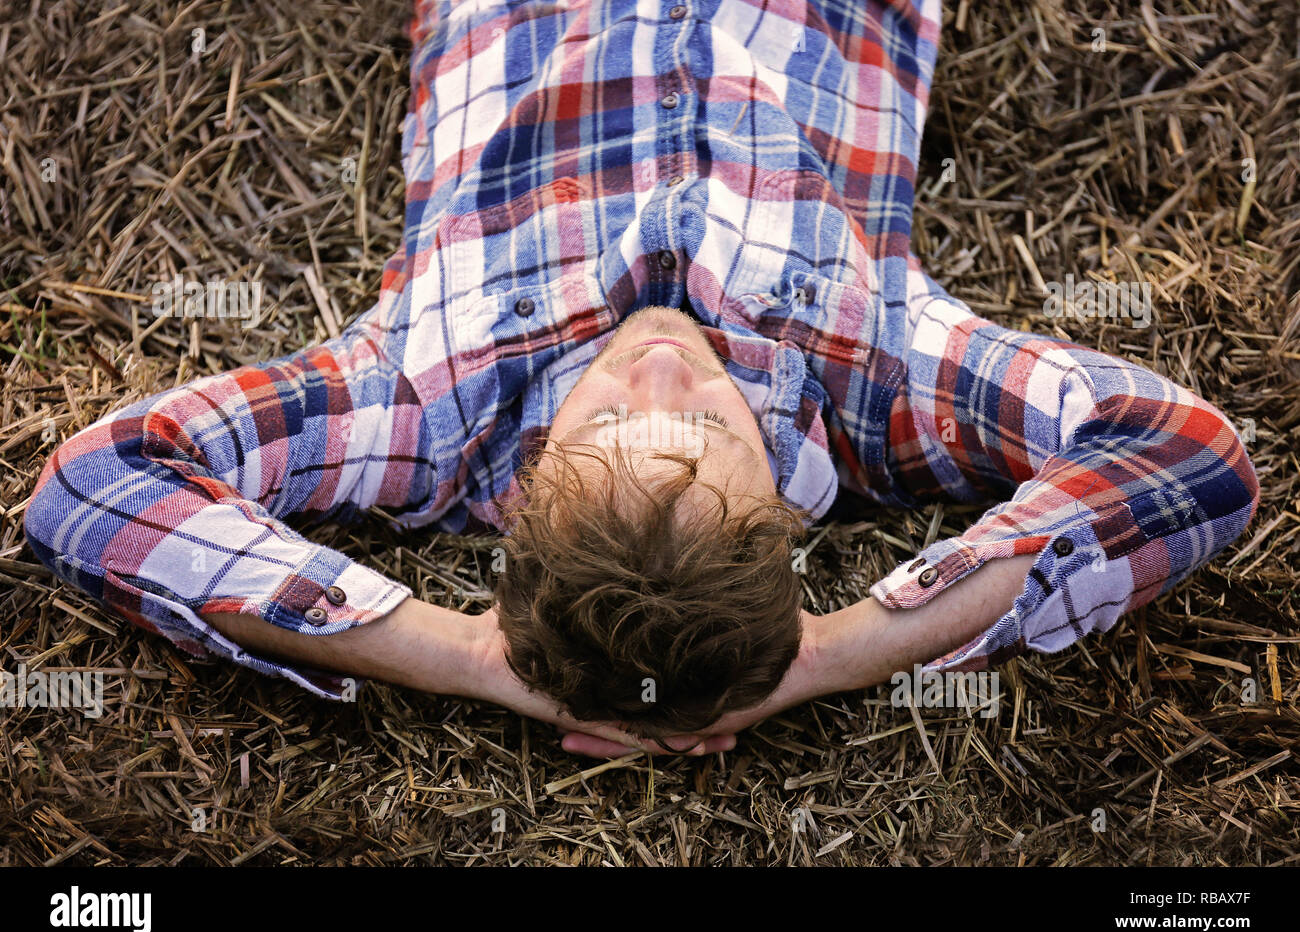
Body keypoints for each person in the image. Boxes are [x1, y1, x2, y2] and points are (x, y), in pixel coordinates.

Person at [24, 0, 1259, 758]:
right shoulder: (876, 380)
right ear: (779, 509)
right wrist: (832, 650)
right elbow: (1184, 456)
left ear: (519, 499)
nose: (660, 371)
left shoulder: (418, 406)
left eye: (602, 423)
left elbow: (99, 486)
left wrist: (461, 652)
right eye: (711, 427)